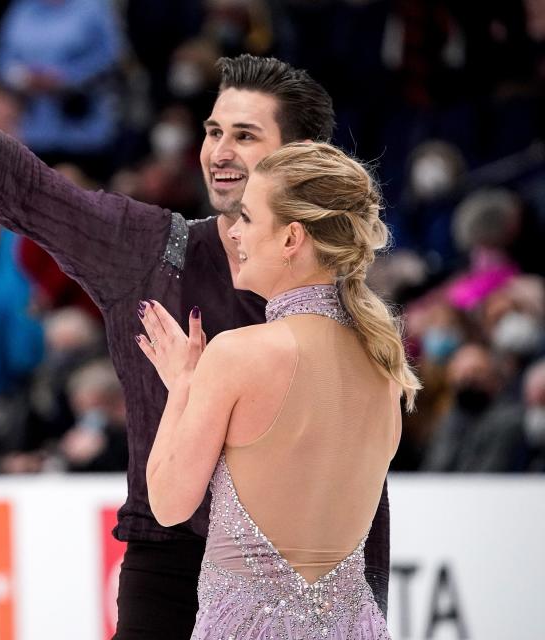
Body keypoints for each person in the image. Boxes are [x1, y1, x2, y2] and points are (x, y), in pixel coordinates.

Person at [0, 42, 391, 637]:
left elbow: (364, 489)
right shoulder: (152, 253)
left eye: (245, 136)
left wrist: (368, 609)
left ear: (299, 160)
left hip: (304, 585)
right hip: (170, 570)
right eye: (212, 131)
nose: (220, 153)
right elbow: (27, 190)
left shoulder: (344, 304)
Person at [138, 142, 418, 637]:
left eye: (246, 216)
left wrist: (183, 385)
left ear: (292, 238)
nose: (235, 232)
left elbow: (167, 503)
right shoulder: (387, 368)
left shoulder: (237, 355)